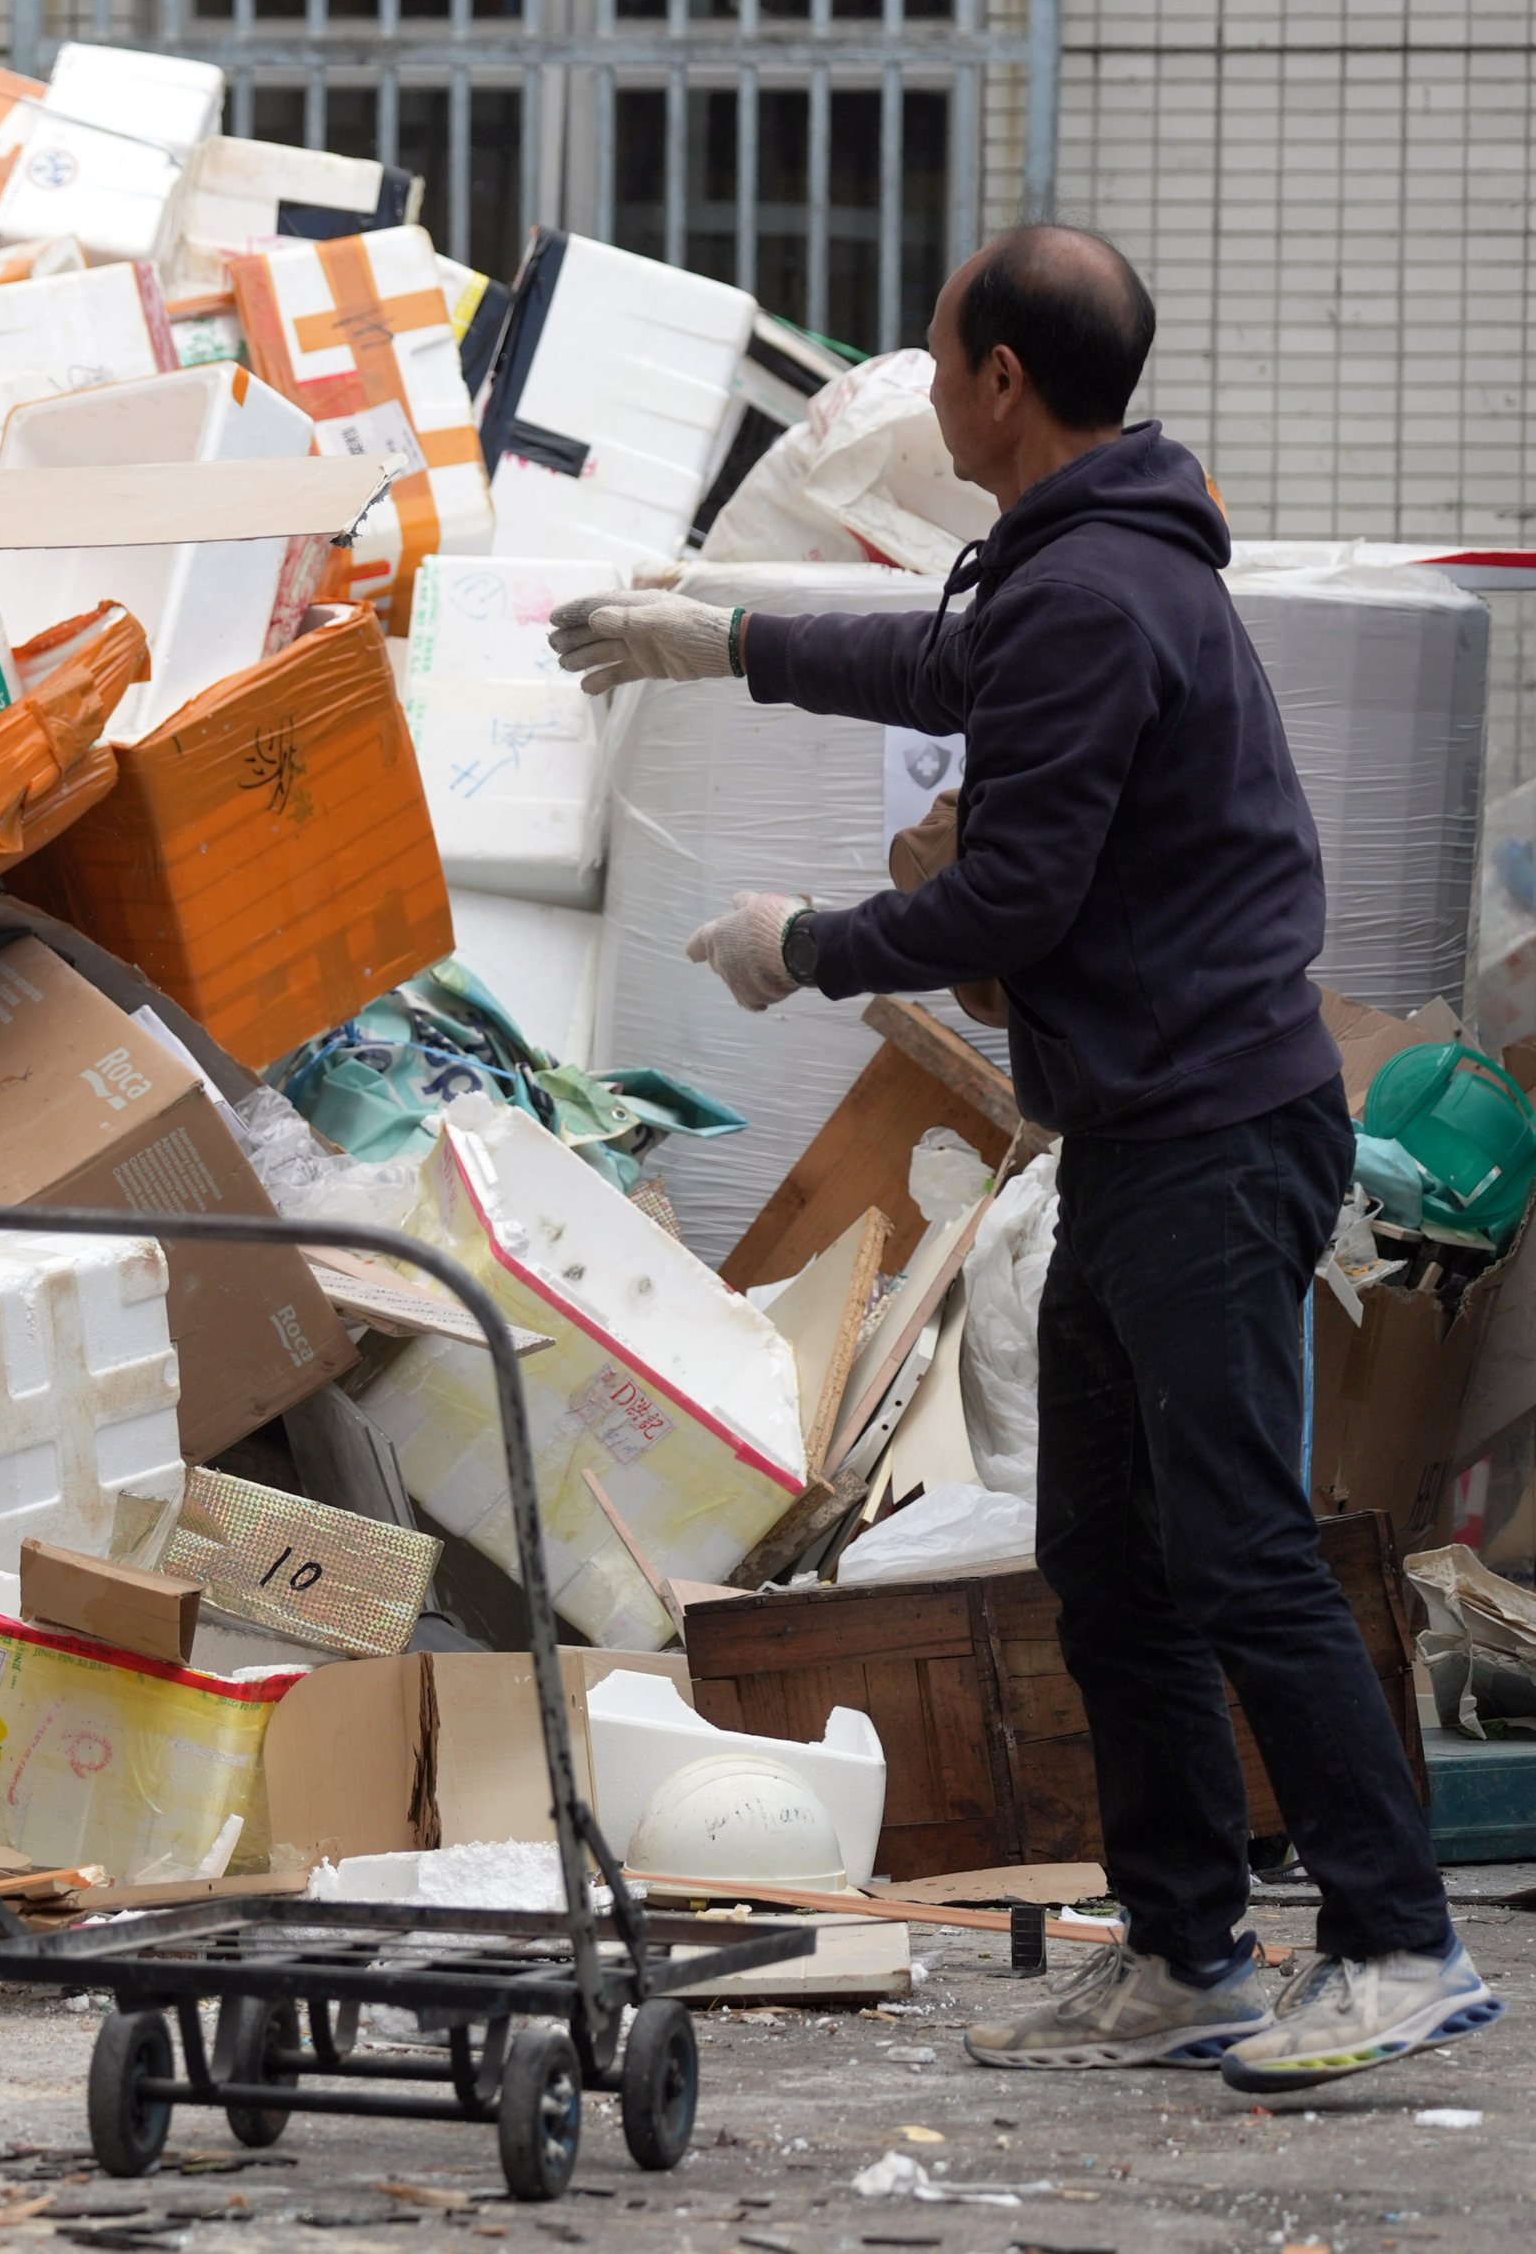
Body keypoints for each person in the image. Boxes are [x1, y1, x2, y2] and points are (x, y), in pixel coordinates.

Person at [548, 225, 1497, 2093]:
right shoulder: (1089, 564)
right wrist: (718, 637)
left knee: (1233, 1549)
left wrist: (798, 944)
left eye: (933, 348)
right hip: (1149, 1136)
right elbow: (936, 656)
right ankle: (1187, 1947)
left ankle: (1400, 1939)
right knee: (1109, 1550)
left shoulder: (1096, 590)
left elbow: (1015, 890)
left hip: (1211, 1140)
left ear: (1000, 381)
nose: (919, 377)